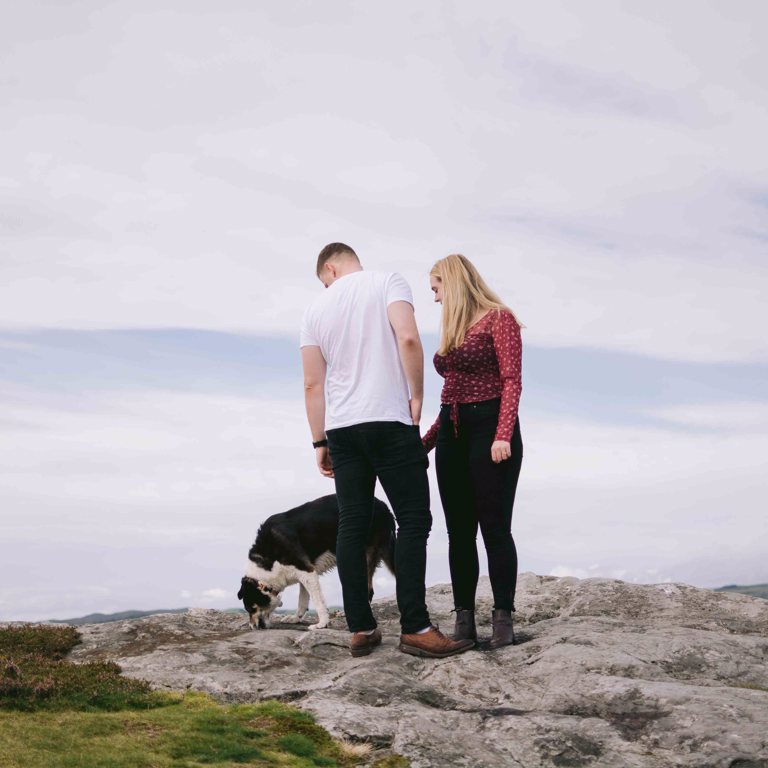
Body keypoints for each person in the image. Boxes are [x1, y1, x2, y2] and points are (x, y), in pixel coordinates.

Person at [300, 243, 474, 659]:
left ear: (330, 268)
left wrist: (319, 440)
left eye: (324, 279)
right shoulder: (387, 281)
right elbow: (409, 338)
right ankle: (415, 626)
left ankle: (361, 627)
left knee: (352, 524)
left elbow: (312, 384)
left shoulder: (315, 310)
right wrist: (417, 395)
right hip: (388, 420)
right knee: (413, 518)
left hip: (342, 429)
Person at [422, 254, 523, 649]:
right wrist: (425, 444)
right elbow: (449, 398)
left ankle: (503, 619)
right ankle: (464, 620)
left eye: (436, 288)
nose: (434, 298)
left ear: (452, 282)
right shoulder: (453, 328)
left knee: (494, 528)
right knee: (458, 532)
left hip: (492, 429)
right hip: (453, 430)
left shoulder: (500, 318)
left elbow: (512, 379)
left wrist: (503, 434)